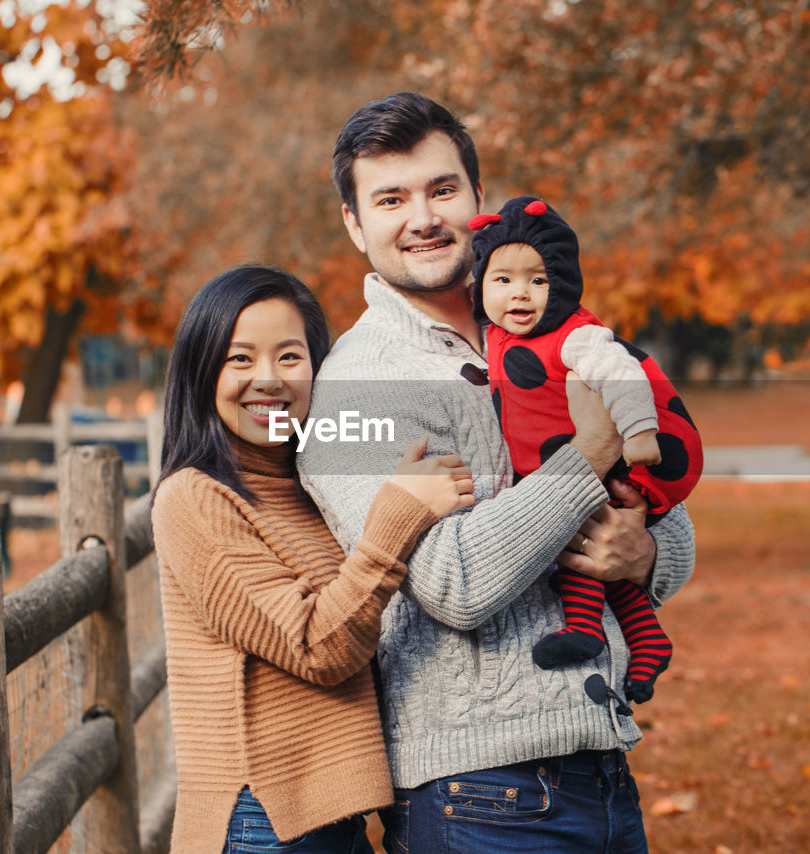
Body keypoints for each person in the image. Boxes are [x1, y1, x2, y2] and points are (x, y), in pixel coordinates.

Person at [297, 93, 696, 852]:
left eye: (441, 189)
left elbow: (672, 523)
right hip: (476, 797)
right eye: (390, 199)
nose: (422, 217)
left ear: (478, 199)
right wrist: (590, 452)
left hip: (603, 766)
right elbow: (453, 584)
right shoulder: (353, 389)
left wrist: (646, 556)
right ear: (354, 223)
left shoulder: (551, 330)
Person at [151, 265, 475, 854]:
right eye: (239, 359)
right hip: (263, 821)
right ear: (201, 372)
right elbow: (316, 646)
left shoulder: (308, 484)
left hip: (331, 819)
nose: (268, 380)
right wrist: (397, 514)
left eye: (290, 357)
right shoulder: (194, 498)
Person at [470, 195, 704, 703]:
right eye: (503, 281)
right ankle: (649, 640)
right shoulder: (494, 336)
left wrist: (638, 433)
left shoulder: (576, 336)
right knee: (597, 547)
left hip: (614, 465)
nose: (521, 295)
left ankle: (585, 629)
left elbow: (622, 376)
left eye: (538, 281)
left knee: (574, 539)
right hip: (566, 464)